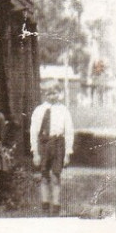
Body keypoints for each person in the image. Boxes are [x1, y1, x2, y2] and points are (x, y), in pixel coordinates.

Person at [30, 84, 75, 216]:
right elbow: (34, 132)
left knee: (56, 175)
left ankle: (56, 205)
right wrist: (35, 153)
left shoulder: (63, 110)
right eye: (49, 93)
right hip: (43, 143)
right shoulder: (39, 110)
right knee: (44, 176)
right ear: (44, 93)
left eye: (55, 92)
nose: (52, 95)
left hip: (58, 143)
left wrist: (67, 153)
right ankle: (45, 205)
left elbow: (69, 132)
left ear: (59, 93)